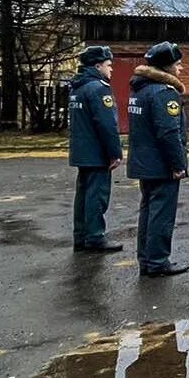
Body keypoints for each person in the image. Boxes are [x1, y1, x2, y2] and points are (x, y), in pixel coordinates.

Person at [127, 41, 189, 277]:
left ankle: (146, 257)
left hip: (144, 162)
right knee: (161, 214)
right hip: (161, 164)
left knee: (148, 211)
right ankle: (158, 261)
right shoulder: (164, 93)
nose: (180, 69)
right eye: (178, 65)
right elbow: (168, 132)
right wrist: (178, 164)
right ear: (168, 67)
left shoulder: (140, 90)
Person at [68, 45, 123, 253]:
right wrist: (115, 153)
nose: (111, 70)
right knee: (96, 195)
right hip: (97, 152)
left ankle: (80, 236)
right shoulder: (99, 88)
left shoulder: (77, 87)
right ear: (98, 65)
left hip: (81, 150)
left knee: (82, 195)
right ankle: (95, 236)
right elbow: (107, 125)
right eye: (109, 65)